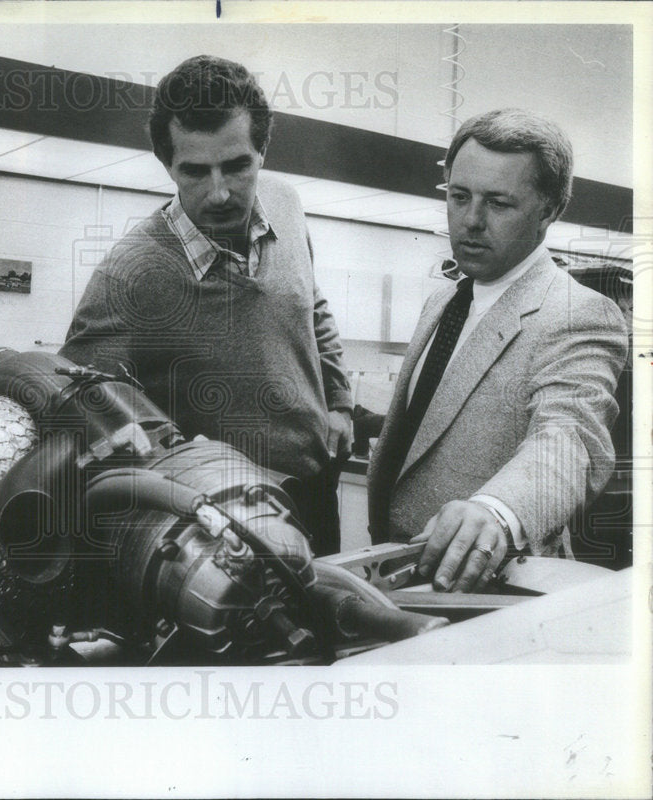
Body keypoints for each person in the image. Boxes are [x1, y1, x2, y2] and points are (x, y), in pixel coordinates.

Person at [60, 55, 353, 555]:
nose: (219, 192)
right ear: (166, 163)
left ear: (263, 149)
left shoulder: (285, 202)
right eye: (195, 171)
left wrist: (341, 403)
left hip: (315, 486)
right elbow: (81, 407)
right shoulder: (130, 273)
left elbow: (313, 305)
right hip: (219, 523)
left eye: (237, 165)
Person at [367, 108, 628, 592]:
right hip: (399, 574)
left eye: (499, 203)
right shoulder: (440, 302)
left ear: (548, 210)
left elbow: (569, 439)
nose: (470, 221)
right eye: (459, 197)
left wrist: (496, 512)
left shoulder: (578, 312)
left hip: (488, 584)